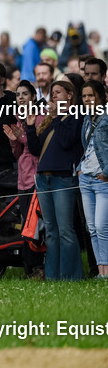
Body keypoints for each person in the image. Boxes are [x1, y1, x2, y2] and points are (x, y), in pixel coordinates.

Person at [26, 80, 84, 281]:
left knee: (65, 229)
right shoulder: (51, 121)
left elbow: (68, 141)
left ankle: (71, 276)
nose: (54, 97)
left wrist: (58, 117)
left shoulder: (75, 116)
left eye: (58, 92)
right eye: (53, 94)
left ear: (70, 95)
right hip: (44, 178)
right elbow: (35, 150)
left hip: (63, 178)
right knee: (50, 230)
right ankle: (52, 276)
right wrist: (31, 128)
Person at [3, 80, 45, 277]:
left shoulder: (40, 117)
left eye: (25, 94)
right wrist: (14, 141)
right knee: (26, 225)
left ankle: (39, 267)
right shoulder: (18, 118)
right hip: (23, 178)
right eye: (18, 94)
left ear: (34, 97)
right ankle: (29, 268)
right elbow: (18, 154)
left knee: (36, 224)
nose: (20, 98)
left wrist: (22, 137)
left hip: (37, 177)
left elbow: (36, 146)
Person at [78, 80, 108, 278]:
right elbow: (86, 147)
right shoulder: (87, 119)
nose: (87, 99)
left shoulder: (106, 119)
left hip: (102, 179)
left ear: (100, 96)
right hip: (86, 178)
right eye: (84, 96)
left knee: (101, 227)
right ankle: (100, 271)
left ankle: (106, 272)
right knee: (91, 229)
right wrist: (80, 169)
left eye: (91, 95)